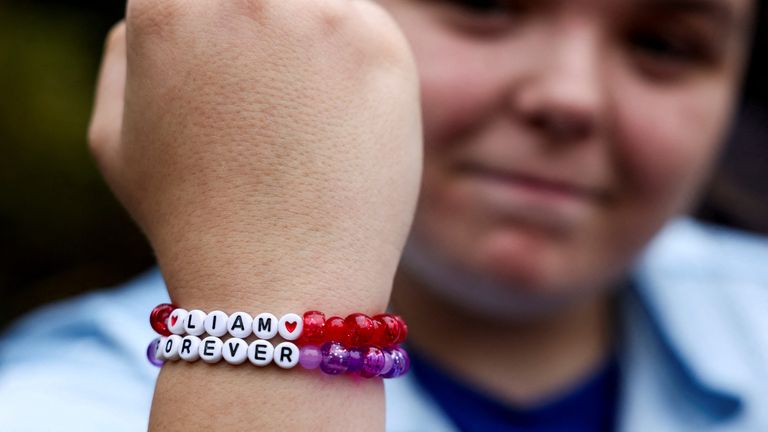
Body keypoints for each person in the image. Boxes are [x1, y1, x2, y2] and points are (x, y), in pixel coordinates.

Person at [1, 0, 766, 430]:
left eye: (666, 46)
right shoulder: (58, 404)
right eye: (485, 6)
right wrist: (269, 313)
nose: (570, 97)